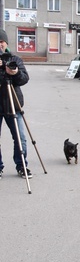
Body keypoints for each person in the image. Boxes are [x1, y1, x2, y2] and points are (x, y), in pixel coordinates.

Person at [0, 29, 32, 179]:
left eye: (1, 41)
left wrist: (15, 73)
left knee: (21, 138)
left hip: (13, 103)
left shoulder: (15, 59)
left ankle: (22, 166)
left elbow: (24, 79)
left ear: (6, 42)